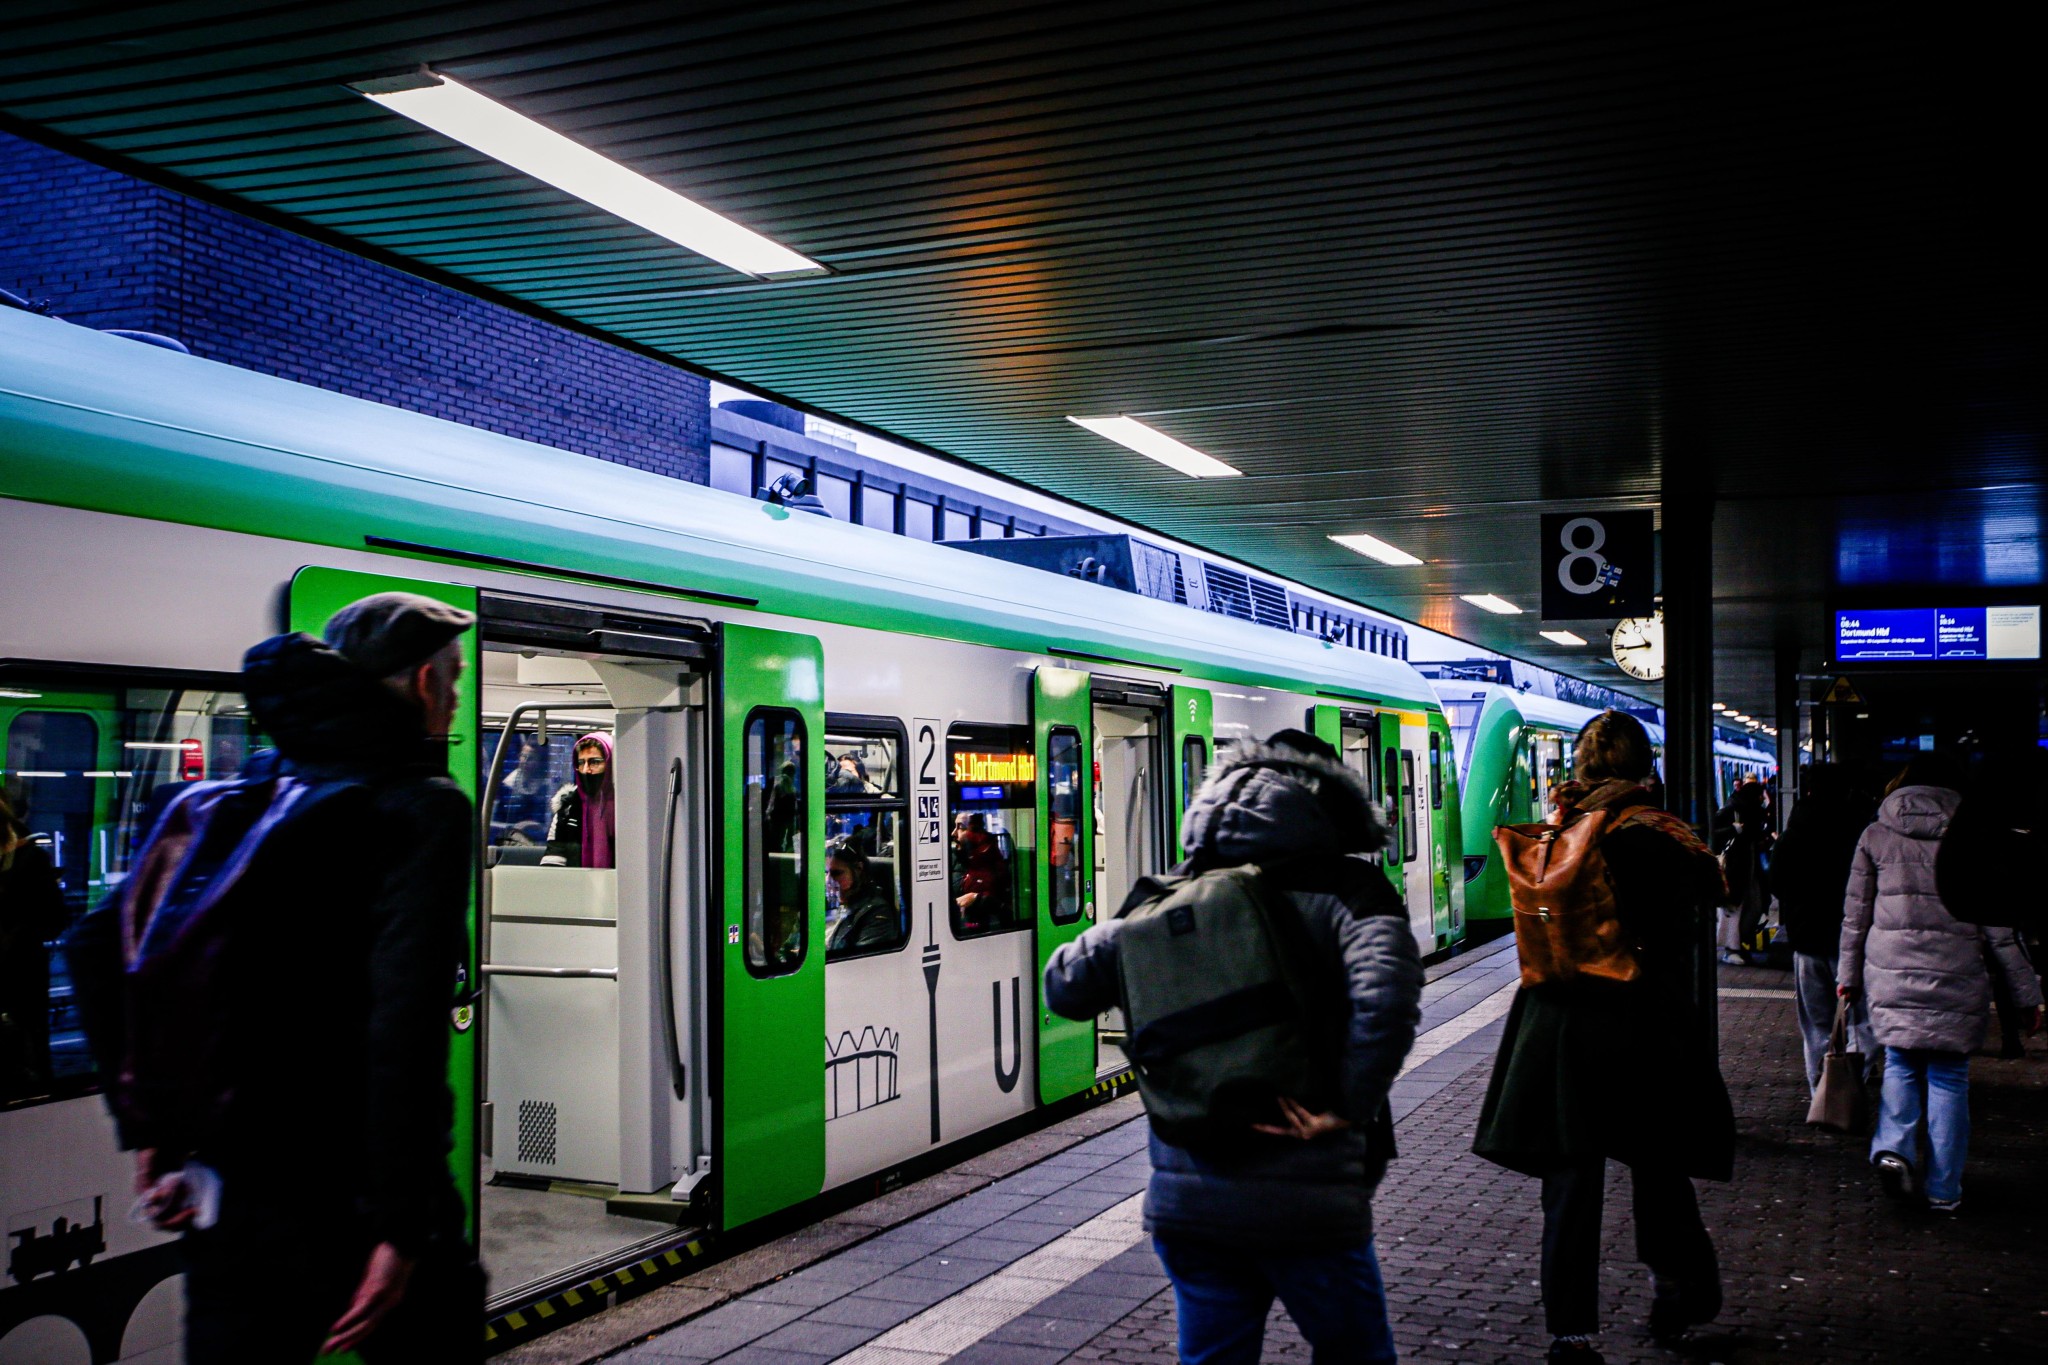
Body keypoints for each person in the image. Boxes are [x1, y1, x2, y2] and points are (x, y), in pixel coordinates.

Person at [75, 592, 484, 1362]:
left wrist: (152, 1134)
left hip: (227, 1193)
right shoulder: (421, 805)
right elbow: (402, 1029)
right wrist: (403, 1225)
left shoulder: (250, 790)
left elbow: (99, 946)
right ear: (425, 685)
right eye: (455, 680)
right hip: (350, 1193)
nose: (455, 697)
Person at [1045, 730, 1422, 1365]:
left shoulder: (1175, 894)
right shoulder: (1354, 892)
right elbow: (1386, 999)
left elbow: (1066, 986)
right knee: (1358, 1355)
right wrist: (1349, 1106)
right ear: (1329, 807)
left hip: (1188, 1195)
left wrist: (1145, 931)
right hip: (1307, 1195)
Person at [1474, 710, 1732, 1363]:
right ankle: (1678, 1286)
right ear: (1643, 766)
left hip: (1559, 1025)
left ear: (1583, 768)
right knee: (1658, 1160)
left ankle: (1571, 1331)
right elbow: (1705, 900)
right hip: (1641, 1018)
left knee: (1569, 1177)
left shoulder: (1559, 827)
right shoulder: (1659, 833)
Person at [1839, 752, 2043, 1213]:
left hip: (1890, 975)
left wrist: (1847, 978)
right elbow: (1999, 926)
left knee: (1901, 1065)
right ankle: (1944, 1191)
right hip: (1957, 977)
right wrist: (2027, 994)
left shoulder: (1875, 834)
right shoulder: (1975, 837)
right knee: (1949, 1078)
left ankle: (1894, 1149)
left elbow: (1855, 917)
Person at [1770, 764, 1878, 1090]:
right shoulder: (1861, 830)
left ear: (1808, 791)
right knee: (1863, 1020)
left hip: (1807, 938)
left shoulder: (1793, 833)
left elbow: (1777, 883)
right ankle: (1853, 1083)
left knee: (1816, 1023)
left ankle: (1822, 1089)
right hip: (1854, 940)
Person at [0, 791, 67, 1101]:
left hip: (20, 972)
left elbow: (55, 917)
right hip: (24, 969)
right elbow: (56, 918)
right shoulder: (31, 857)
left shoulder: (30, 857)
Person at [1716, 779, 1774, 964]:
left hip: (1749, 866)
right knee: (1736, 907)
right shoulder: (1732, 809)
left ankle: (1739, 944)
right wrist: (1732, 830)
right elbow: (1713, 831)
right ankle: (1732, 948)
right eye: (1759, 795)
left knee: (1753, 906)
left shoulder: (1751, 810)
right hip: (1736, 866)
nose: (1761, 799)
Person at [542, 732, 616, 868]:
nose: (586, 770)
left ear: (610, 763)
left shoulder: (625, 807)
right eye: (581, 763)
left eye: (594, 762)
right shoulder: (567, 809)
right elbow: (552, 863)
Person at [825, 840, 900, 955]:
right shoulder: (821, 905)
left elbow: (860, 964)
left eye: (837, 873)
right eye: (825, 873)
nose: (828, 880)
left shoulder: (876, 912)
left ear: (858, 869)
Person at [950, 812, 1010, 928]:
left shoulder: (990, 862)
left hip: (979, 927)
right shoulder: (954, 857)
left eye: (961, 827)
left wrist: (976, 898)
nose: (953, 834)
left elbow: (1003, 905)